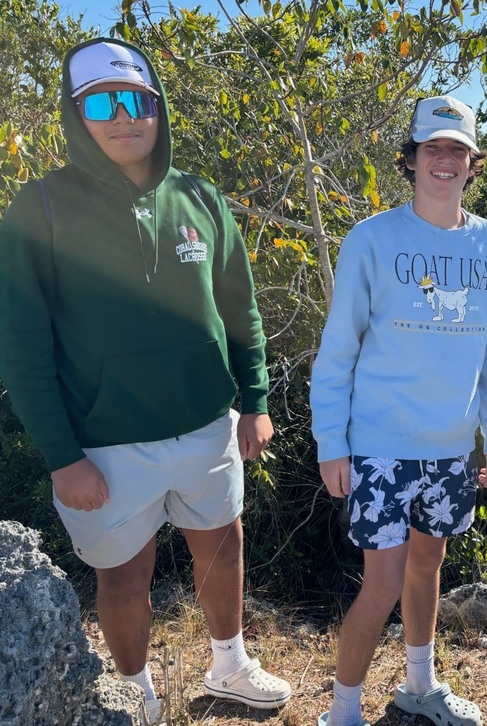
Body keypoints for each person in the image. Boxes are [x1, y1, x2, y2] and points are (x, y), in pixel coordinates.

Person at [0, 38, 292, 723]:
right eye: (102, 103)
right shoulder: (37, 211)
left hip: (207, 425)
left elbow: (240, 308)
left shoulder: (200, 197)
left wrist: (255, 402)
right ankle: (137, 696)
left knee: (224, 547)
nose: (125, 117)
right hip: (103, 444)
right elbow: (21, 348)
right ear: (76, 115)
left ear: (158, 109)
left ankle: (229, 666)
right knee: (124, 578)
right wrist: (62, 456)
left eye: (139, 101)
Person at [310, 95, 487, 726]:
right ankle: (343, 711)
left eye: (457, 149)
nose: (445, 161)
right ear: (412, 159)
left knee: (429, 567)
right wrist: (331, 443)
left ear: (473, 162)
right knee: (382, 583)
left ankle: (419, 688)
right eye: (434, 148)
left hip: (451, 448)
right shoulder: (371, 240)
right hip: (379, 446)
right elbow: (338, 349)